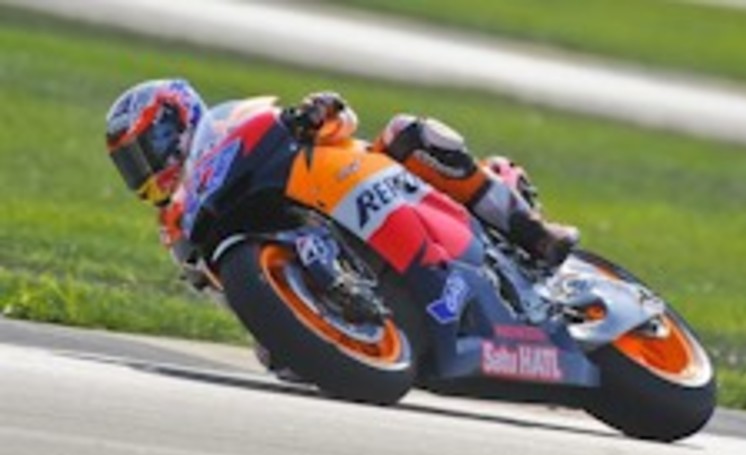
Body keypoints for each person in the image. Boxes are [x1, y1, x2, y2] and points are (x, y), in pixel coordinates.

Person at [105, 79, 578, 281]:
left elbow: (342, 121)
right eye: (131, 164)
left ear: (175, 119)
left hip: (362, 182)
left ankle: (531, 232)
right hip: (304, 290)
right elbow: (213, 283)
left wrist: (315, 111)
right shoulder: (176, 222)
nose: (145, 169)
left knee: (408, 133)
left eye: (144, 150)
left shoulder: (235, 125)